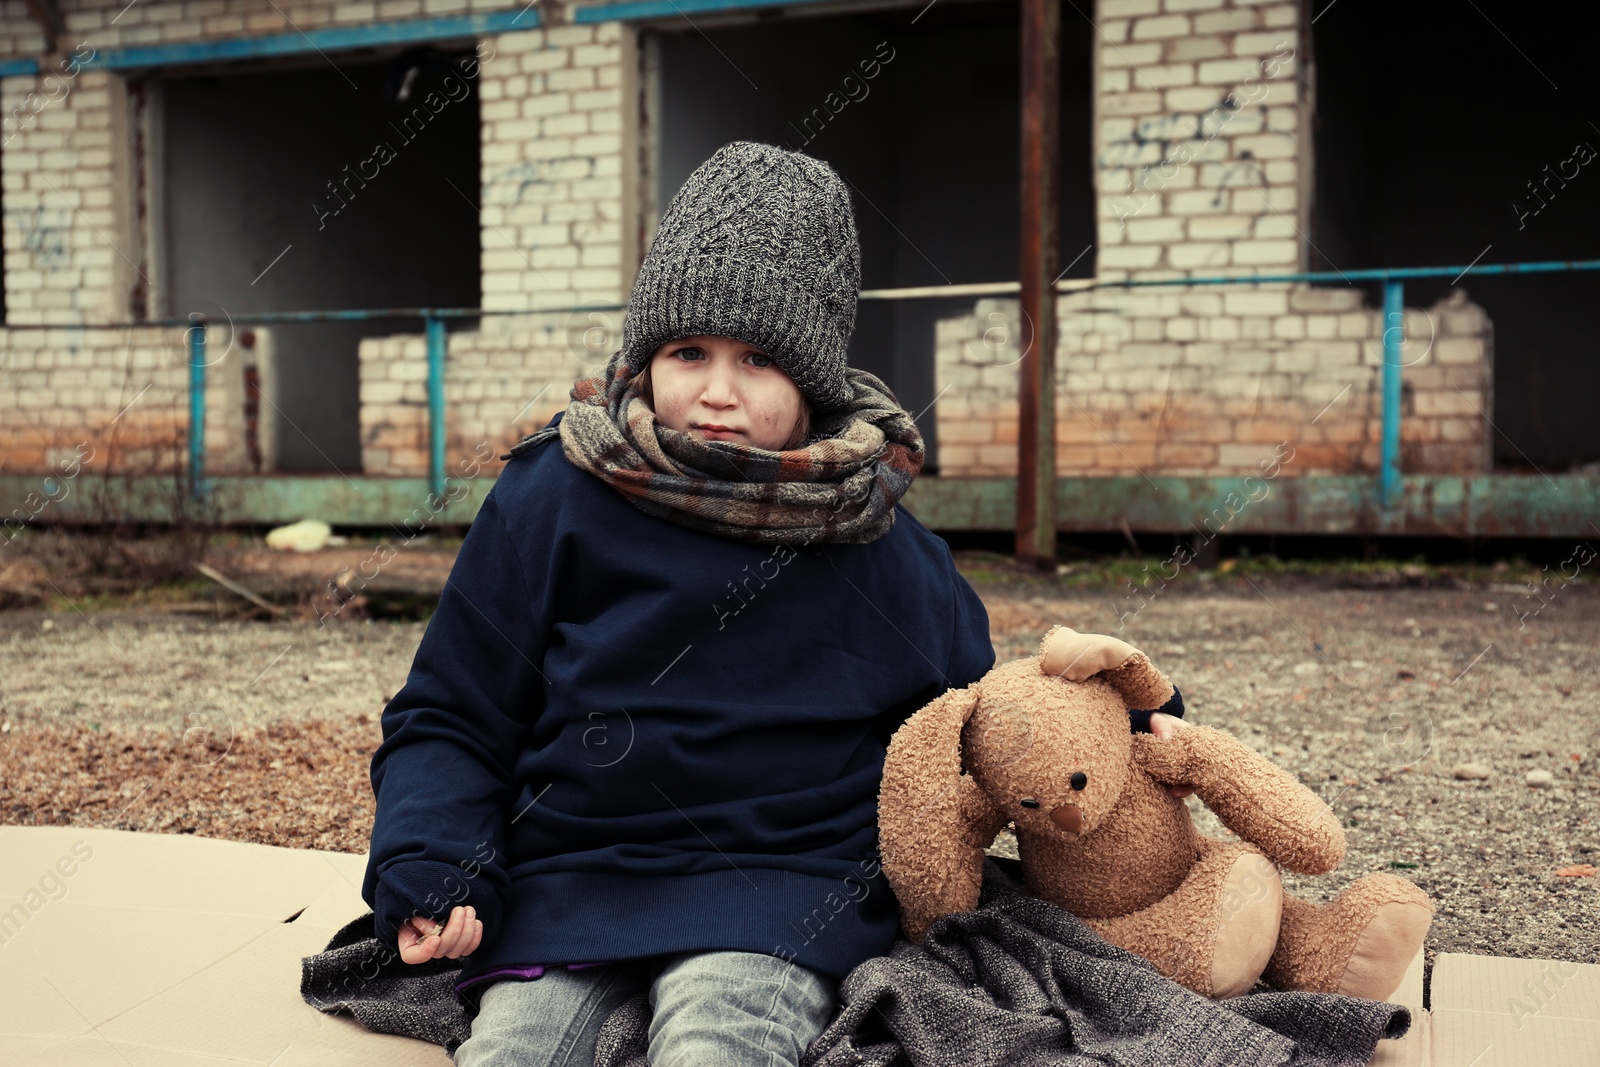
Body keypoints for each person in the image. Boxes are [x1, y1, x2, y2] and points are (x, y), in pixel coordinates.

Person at [360, 140, 1185, 1067]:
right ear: (645, 355)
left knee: (719, 1040)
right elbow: (452, 711)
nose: (716, 392)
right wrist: (435, 864)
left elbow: (985, 717)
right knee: (513, 1050)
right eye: (687, 351)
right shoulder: (557, 493)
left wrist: (1116, 708)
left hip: (785, 888)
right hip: (573, 874)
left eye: (759, 359)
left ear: (815, 381)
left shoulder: (874, 539)